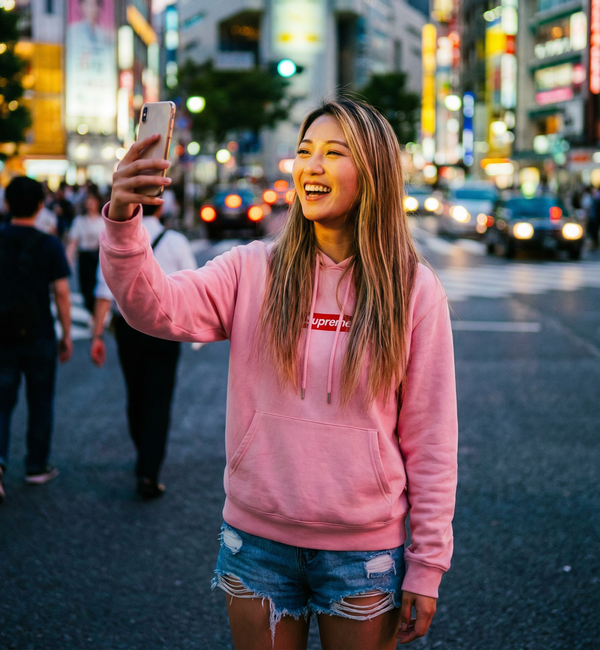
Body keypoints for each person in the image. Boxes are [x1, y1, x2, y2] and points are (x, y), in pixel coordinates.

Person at [100, 100, 457, 649]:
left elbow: (432, 439)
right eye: (304, 151)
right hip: (257, 541)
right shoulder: (252, 268)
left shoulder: (413, 289)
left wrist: (427, 564)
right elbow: (157, 308)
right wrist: (124, 221)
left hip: (364, 551)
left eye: (334, 153)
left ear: (375, 172)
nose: (311, 166)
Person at [90, 203, 197, 499]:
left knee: (135, 393)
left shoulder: (115, 237)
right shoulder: (175, 241)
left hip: (127, 327)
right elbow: (195, 283)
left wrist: (97, 334)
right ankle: (149, 472)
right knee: (159, 399)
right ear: (161, 206)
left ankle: (143, 453)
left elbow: (103, 290)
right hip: (165, 328)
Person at [0, 177, 72, 504]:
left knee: (1, 403)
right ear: (41, 205)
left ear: (7, 204)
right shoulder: (49, 245)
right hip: (40, 332)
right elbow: (61, 293)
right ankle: (36, 465)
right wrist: (67, 333)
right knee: (40, 401)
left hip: (2, 335)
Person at [67, 188, 104, 315]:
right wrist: (68, 258)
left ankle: (96, 317)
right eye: (88, 200)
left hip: (98, 258)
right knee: (85, 288)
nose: (90, 203)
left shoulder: (103, 221)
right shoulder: (79, 221)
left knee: (97, 287)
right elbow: (73, 242)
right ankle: (92, 313)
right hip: (84, 257)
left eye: (93, 201)